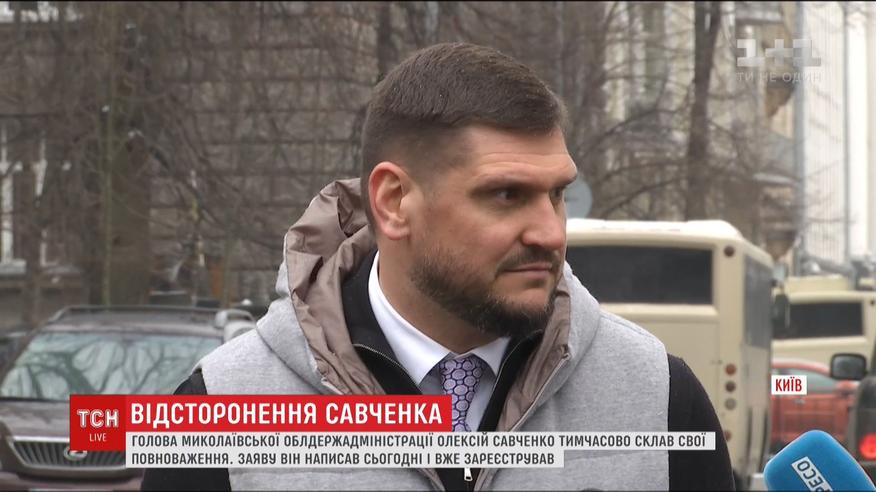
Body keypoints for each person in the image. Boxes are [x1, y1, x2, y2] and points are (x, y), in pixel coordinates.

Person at [142, 42, 733, 491]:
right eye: (506, 195)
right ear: (395, 202)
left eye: (556, 194)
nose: (551, 233)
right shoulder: (218, 412)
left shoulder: (660, 398)